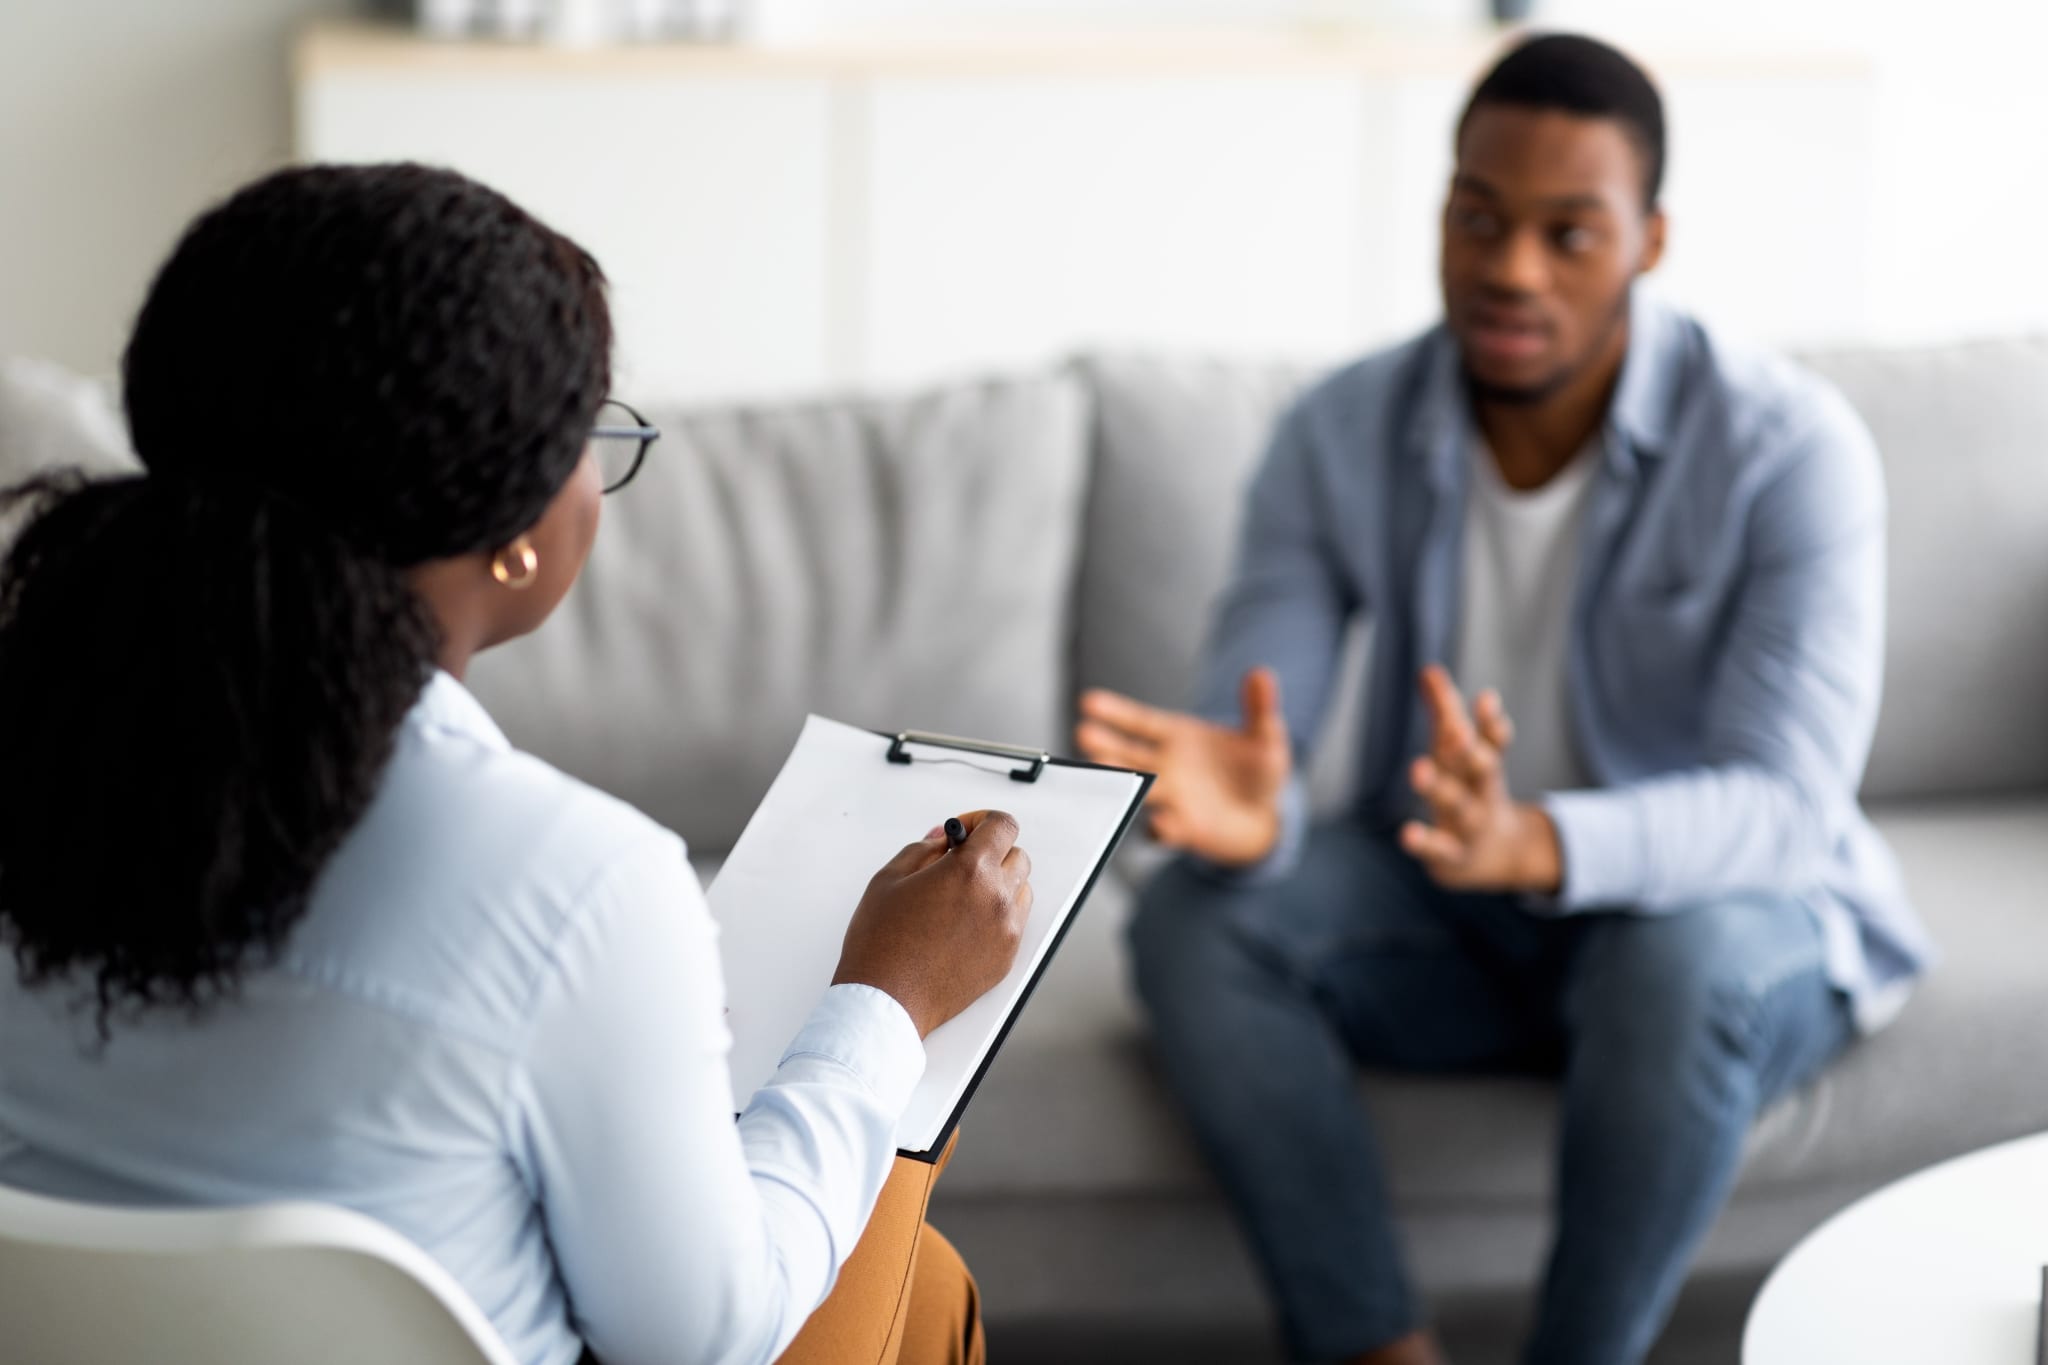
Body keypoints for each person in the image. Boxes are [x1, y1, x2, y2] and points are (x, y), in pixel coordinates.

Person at [0, 163, 1033, 1365]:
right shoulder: (571, 885)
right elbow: (701, 1336)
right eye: (591, 434)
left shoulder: (41, 762)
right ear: (510, 535)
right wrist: (886, 1002)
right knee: (911, 1272)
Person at [1074, 33, 1933, 1365]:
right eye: (1479, 218)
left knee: (1675, 960)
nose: (1510, 268)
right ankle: (1375, 1347)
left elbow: (1784, 810)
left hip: (1703, 920)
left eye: (1567, 233)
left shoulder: (1788, 449)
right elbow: (1256, 735)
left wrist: (1537, 842)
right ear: (1442, 217)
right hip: (1451, 900)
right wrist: (1254, 809)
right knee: (1195, 920)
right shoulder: (1338, 432)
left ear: (1649, 242)